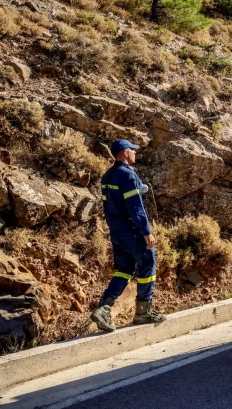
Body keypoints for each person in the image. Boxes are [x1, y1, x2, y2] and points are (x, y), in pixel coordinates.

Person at [91, 139, 166, 332]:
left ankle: (103, 308)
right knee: (148, 263)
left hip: (117, 232)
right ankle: (143, 311)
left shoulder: (108, 176)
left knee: (124, 269)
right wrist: (146, 232)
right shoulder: (128, 176)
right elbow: (136, 208)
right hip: (132, 231)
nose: (135, 153)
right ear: (125, 153)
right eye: (132, 150)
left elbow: (112, 205)